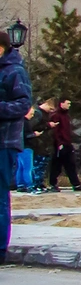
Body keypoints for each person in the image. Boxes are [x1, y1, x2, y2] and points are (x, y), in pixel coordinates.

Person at [0, 23, 31, 256]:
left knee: (0, 196)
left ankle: (0, 248)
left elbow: (23, 104)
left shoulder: (14, 71)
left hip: (4, 143)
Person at [40, 98, 81, 193]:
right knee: (57, 165)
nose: (69, 105)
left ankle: (76, 183)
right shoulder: (56, 115)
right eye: (67, 103)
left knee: (70, 164)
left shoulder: (66, 116)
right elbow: (56, 131)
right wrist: (59, 143)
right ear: (61, 104)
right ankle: (53, 183)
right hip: (60, 143)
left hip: (67, 142)